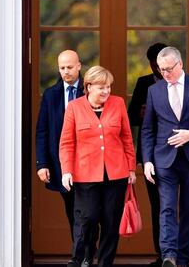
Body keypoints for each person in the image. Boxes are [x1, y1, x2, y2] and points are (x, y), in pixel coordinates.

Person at [141, 47, 189, 267]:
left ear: (180, 64)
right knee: (167, 208)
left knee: (188, 209)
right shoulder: (154, 90)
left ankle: (183, 259)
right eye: (161, 69)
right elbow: (147, 129)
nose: (165, 73)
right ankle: (169, 256)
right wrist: (147, 161)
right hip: (164, 160)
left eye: (169, 69)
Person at [59, 65, 137, 267]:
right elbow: (66, 143)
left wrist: (131, 168)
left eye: (108, 87)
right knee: (89, 218)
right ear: (88, 87)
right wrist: (66, 171)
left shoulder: (118, 103)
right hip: (85, 174)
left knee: (111, 222)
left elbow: (127, 138)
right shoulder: (74, 107)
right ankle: (86, 255)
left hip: (116, 174)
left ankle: (104, 263)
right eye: (101, 87)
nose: (106, 91)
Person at [35, 50, 95, 267]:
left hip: (89, 162)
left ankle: (85, 255)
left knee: (88, 212)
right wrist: (42, 163)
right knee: (73, 211)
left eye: (70, 67)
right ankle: (82, 254)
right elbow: (42, 131)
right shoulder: (51, 94)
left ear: (79, 66)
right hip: (61, 164)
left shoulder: (90, 90)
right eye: (62, 68)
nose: (66, 71)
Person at [128, 42, 168, 267]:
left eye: (159, 64)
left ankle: (174, 253)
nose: (157, 69)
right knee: (157, 204)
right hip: (150, 154)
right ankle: (162, 255)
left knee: (172, 205)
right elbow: (130, 117)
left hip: (175, 152)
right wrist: (140, 112)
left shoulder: (179, 81)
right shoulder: (143, 83)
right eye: (153, 65)